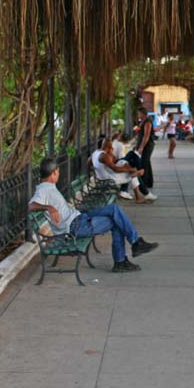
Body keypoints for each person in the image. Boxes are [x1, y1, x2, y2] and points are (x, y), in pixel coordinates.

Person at [29, 158, 158, 272]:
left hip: (80, 217)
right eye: (58, 171)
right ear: (55, 172)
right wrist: (49, 207)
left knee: (114, 209)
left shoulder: (49, 186)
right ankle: (124, 256)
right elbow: (30, 206)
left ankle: (133, 247)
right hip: (75, 227)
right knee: (116, 222)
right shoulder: (44, 189)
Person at [92, 137, 152, 202]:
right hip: (109, 180)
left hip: (101, 177)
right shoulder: (104, 156)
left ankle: (135, 177)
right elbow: (115, 169)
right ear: (109, 147)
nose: (112, 148)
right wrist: (131, 170)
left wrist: (98, 168)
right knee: (132, 173)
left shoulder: (95, 153)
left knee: (125, 164)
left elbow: (89, 163)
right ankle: (137, 195)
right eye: (111, 146)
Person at [133, 107, 157, 198]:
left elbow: (146, 136)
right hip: (143, 145)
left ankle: (144, 182)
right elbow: (140, 133)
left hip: (147, 145)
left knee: (144, 163)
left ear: (143, 114)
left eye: (139, 114)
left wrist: (141, 147)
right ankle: (148, 182)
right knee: (146, 162)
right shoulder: (143, 121)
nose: (138, 115)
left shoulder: (147, 122)